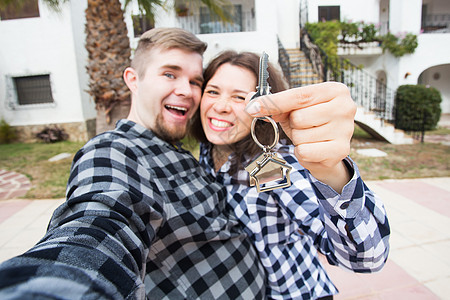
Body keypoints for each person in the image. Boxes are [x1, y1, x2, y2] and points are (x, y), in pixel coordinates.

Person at [0, 28, 365, 299]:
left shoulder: (215, 155)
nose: (188, 91)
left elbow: (361, 254)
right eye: (170, 74)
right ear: (134, 79)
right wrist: (52, 286)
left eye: (195, 81)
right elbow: (100, 221)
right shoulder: (116, 152)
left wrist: (333, 171)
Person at [189, 50, 390, 299]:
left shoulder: (269, 165)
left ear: (260, 107)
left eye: (240, 97)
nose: (220, 106)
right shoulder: (207, 150)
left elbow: (365, 258)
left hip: (292, 292)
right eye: (213, 91)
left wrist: (332, 172)